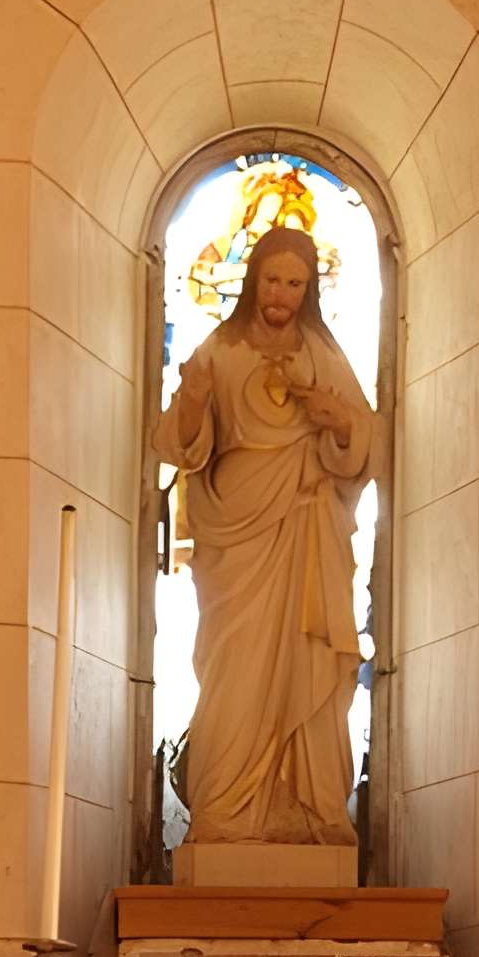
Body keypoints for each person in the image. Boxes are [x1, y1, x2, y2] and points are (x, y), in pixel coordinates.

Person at [153, 227, 374, 847]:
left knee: (310, 666)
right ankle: (224, 815)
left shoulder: (323, 355)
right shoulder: (219, 351)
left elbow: (366, 443)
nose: (281, 294)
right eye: (272, 280)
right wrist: (193, 403)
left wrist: (339, 423)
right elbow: (177, 444)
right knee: (237, 670)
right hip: (236, 541)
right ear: (253, 281)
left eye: (295, 283)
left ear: (309, 291)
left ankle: (311, 809)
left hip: (308, 531)